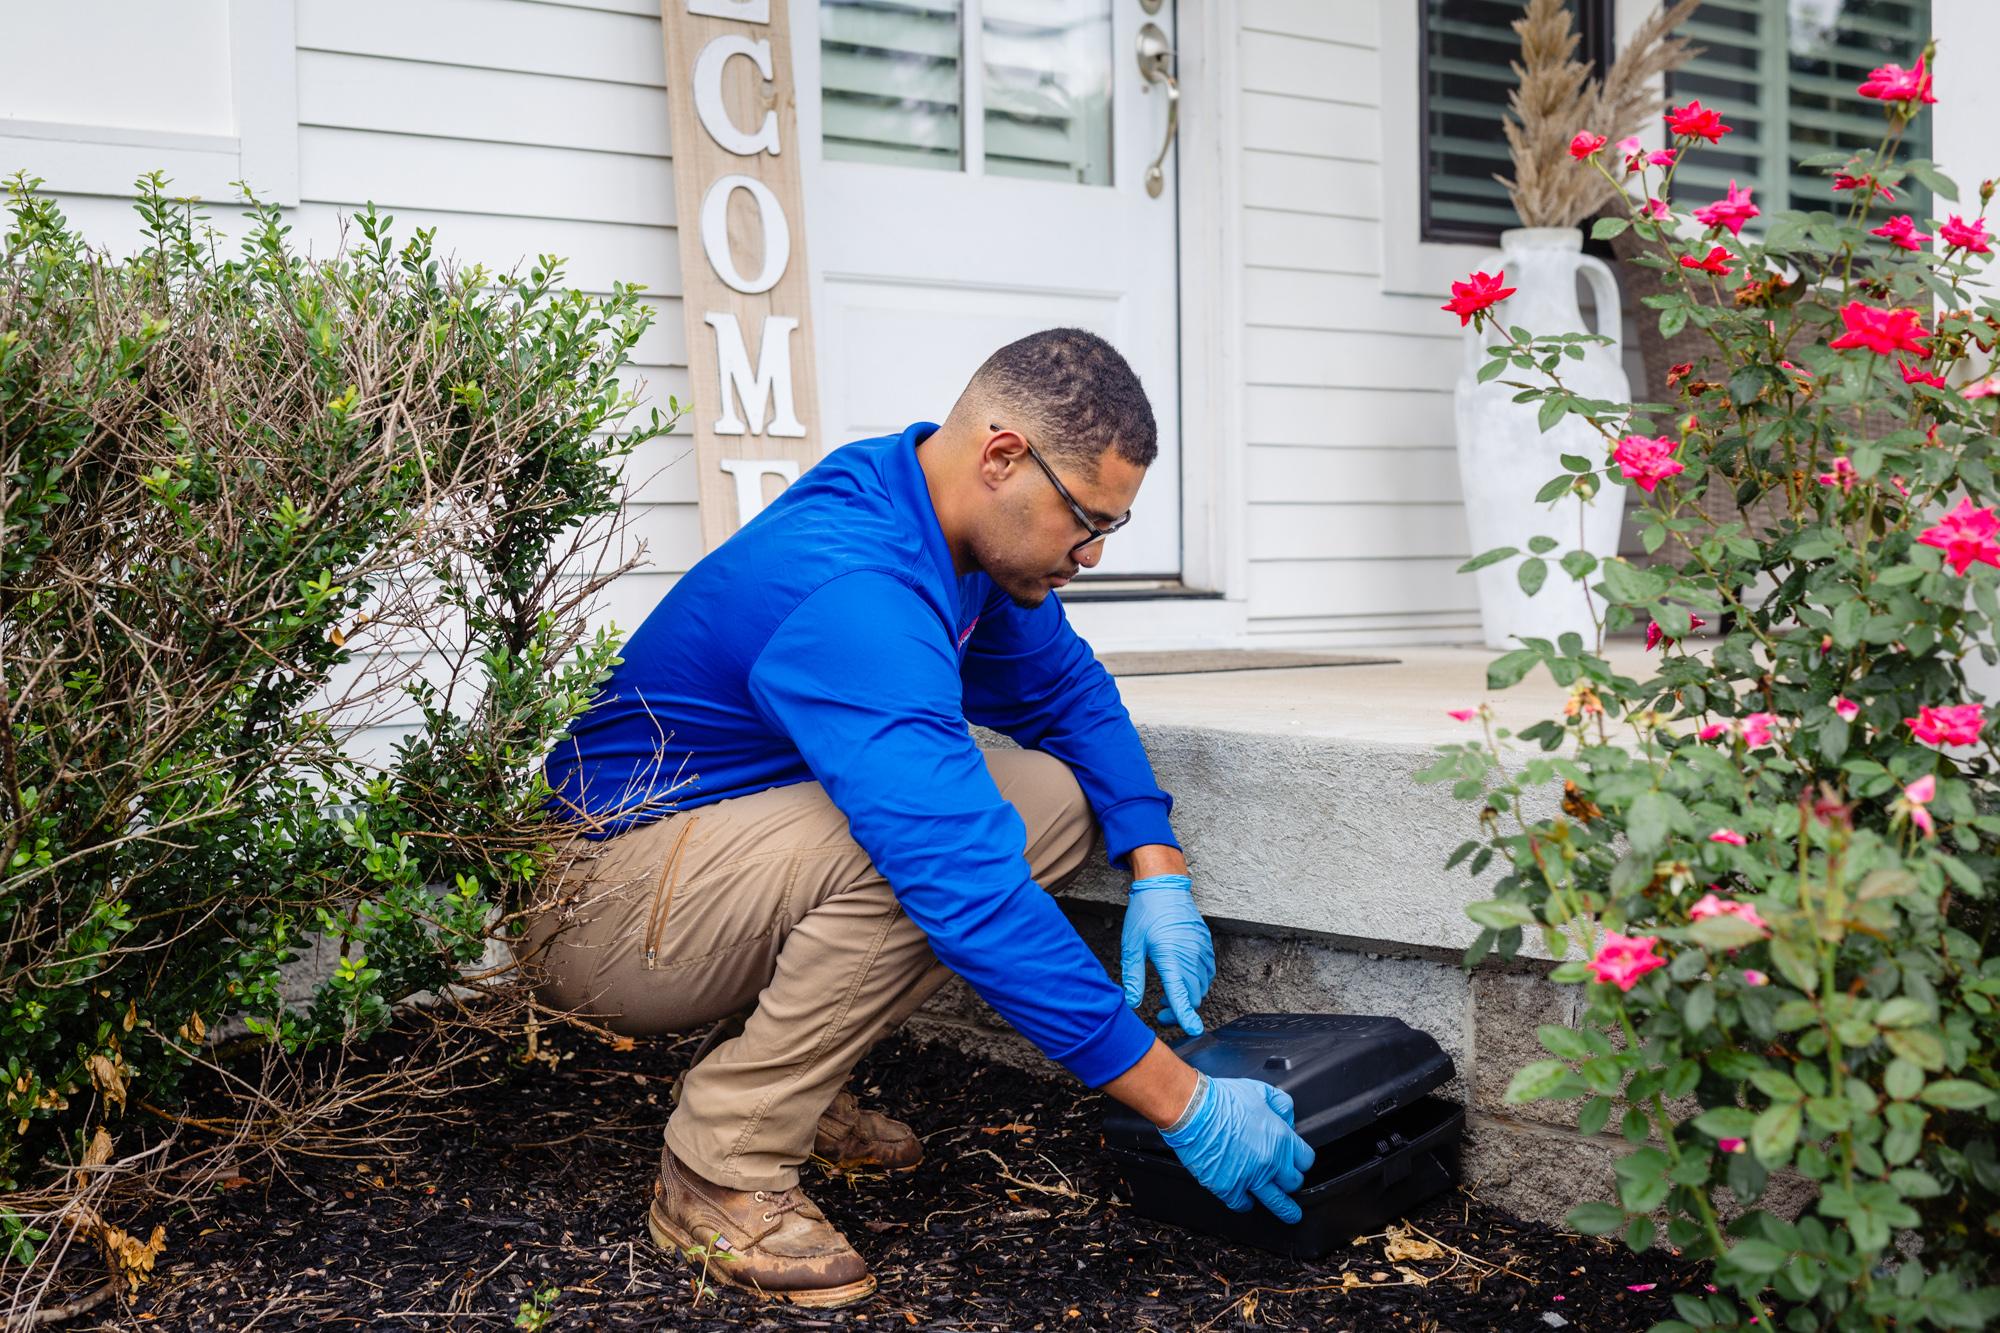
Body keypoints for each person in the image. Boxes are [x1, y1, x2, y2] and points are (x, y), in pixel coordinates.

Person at [528, 328, 1313, 1308]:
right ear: (1000, 457)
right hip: (595, 905)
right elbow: (966, 891)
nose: (1094, 553)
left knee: (1051, 806)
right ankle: (720, 1166)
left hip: (698, 857)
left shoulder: (941, 520)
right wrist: (1183, 1104)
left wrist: (1158, 869)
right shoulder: (856, 588)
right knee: (928, 853)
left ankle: (788, 1083)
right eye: (1084, 520)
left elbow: (1064, 692)